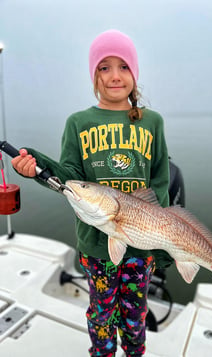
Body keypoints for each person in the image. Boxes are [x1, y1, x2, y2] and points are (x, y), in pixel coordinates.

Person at [11, 29, 173, 357]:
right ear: (94, 75)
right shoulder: (78, 122)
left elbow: (159, 182)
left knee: (135, 315)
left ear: (134, 72)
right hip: (96, 245)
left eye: (123, 66)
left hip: (140, 247)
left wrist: (162, 241)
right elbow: (68, 178)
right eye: (104, 67)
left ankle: (135, 352)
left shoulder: (152, 122)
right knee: (101, 315)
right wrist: (35, 164)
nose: (115, 76)